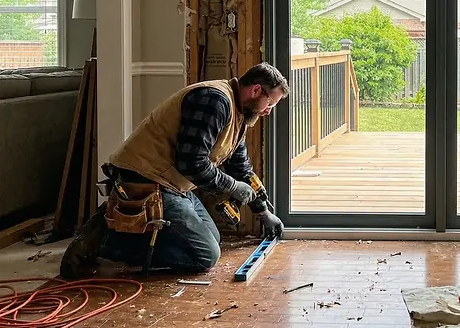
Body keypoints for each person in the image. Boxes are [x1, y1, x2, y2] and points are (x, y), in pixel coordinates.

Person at [60, 62, 289, 278]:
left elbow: (241, 169)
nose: (268, 111)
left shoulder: (240, 114)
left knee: (213, 239)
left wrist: (263, 213)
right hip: (147, 179)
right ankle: (107, 241)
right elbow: (191, 162)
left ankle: (127, 226)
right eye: (270, 103)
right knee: (204, 256)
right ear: (257, 90)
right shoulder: (214, 101)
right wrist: (231, 187)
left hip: (174, 184)